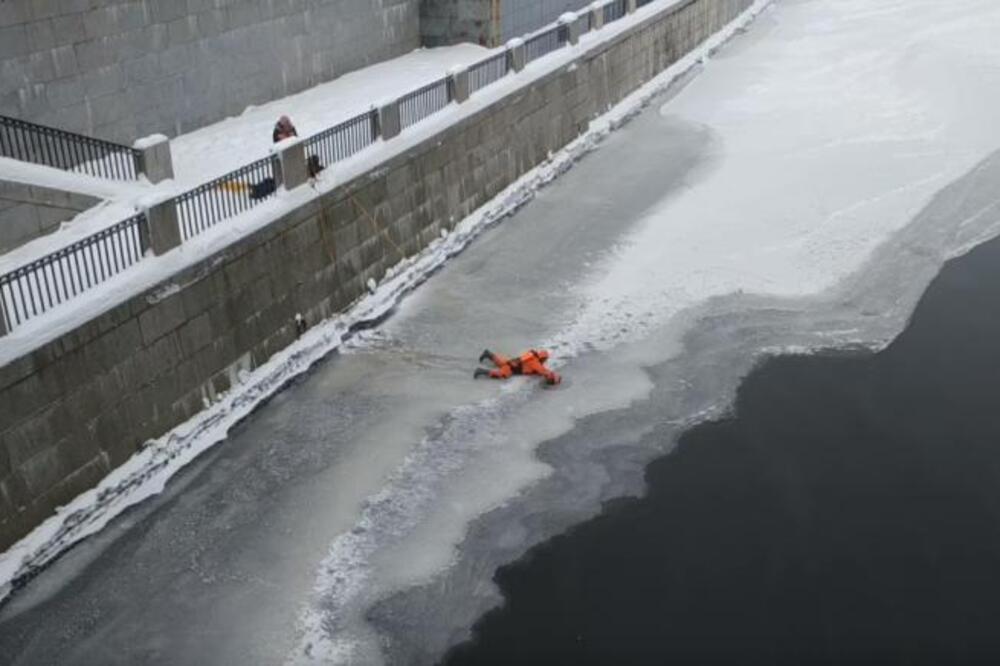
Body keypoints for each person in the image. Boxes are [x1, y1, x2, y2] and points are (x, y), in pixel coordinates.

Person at [474, 349, 561, 386]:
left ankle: (488, 354)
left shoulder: (534, 360)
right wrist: (552, 376)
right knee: (502, 374)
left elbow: (544, 371)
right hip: (512, 368)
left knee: (501, 363)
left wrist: (552, 376)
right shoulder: (536, 363)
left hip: (513, 364)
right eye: (551, 378)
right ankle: (481, 371)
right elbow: (544, 372)